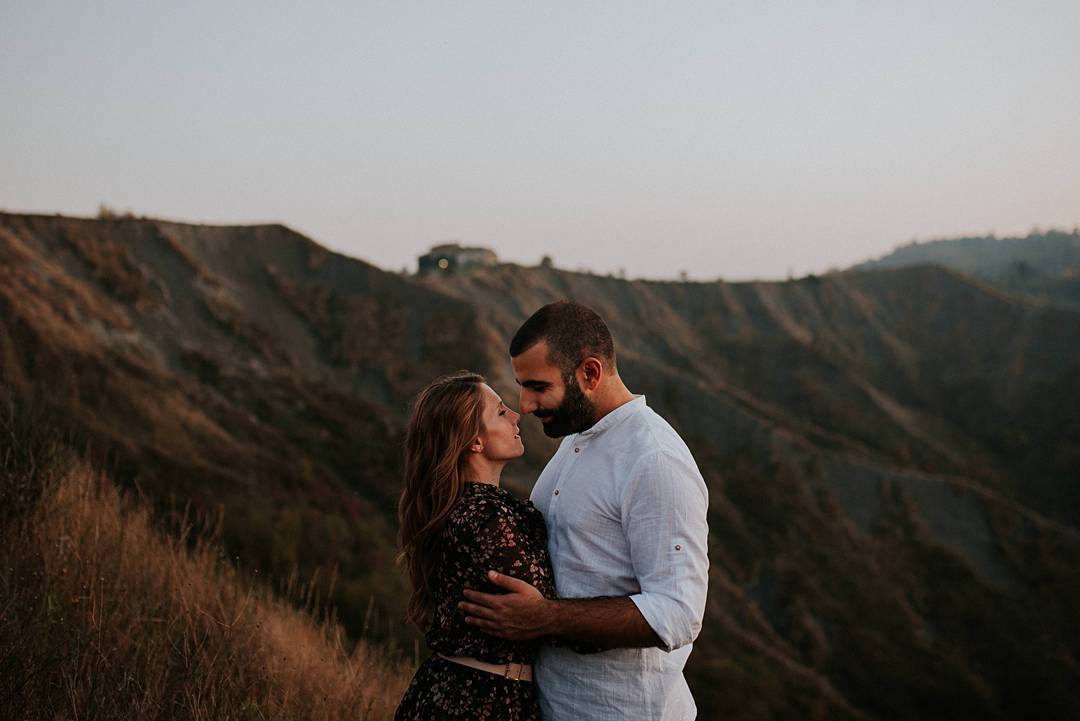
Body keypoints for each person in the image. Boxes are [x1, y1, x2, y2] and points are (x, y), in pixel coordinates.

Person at [459, 300, 710, 720]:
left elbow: (678, 613)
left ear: (589, 374)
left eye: (538, 387)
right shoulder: (576, 441)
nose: (525, 405)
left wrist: (544, 618)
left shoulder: (654, 458)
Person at [395, 371, 556, 720]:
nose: (515, 415)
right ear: (475, 442)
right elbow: (544, 610)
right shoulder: (483, 518)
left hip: (460, 689)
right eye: (500, 412)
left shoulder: (470, 508)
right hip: (480, 700)